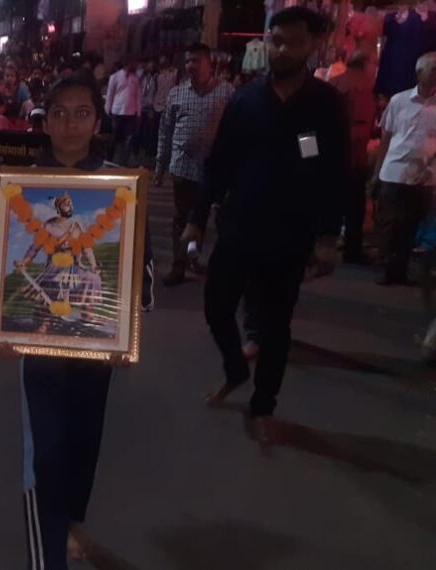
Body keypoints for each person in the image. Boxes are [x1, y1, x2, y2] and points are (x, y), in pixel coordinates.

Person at [11, 73, 154, 570]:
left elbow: (138, 264)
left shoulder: (120, 185)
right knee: (44, 451)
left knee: (83, 439)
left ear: (98, 121)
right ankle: (48, 562)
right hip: (42, 344)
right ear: (44, 121)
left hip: (96, 341)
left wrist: (128, 327)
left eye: (82, 113)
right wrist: (1, 321)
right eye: (59, 113)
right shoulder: (21, 185)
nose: (70, 124)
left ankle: (71, 518)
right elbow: (17, 251)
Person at [183, 7, 348, 439]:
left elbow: (334, 173)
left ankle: (263, 405)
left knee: (276, 327)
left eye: (293, 42)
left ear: (312, 45)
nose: (282, 49)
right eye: (276, 41)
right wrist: (196, 219)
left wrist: (328, 235)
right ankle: (235, 368)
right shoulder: (246, 99)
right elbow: (219, 164)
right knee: (217, 306)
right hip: (239, 225)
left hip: (291, 233)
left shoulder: (324, 104)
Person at [155, 43, 234, 287]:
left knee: (217, 219)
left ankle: (210, 262)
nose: (191, 65)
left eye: (196, 60)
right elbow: (165, 132)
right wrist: (160, 166)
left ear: (210, 63)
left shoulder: (226, 92)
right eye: (188, 61)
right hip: (182, 167)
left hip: (215, 170)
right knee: (182, 217)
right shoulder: (176, 94)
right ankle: (179, 265)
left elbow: (237, 130)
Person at [371, 52, 436, 285]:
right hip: (394, 171)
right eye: (433, 70)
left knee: (410, 224)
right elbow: (387, 136)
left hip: (424, 176)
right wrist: (377, 172)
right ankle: (388, 267)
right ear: (419, 73)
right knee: (390, 223)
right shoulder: (399, 101)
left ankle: (400, 268)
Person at [329, 50, 378, 264]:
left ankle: (322, 245)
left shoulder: (333, 83)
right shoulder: (365, 86)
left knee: (329, 203)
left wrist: (310, 155)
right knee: (354, 207)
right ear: (366, 64)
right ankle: (352, 250)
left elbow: (308, 129)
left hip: (329, 154)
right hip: (354, 155)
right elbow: (364, 123)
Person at [104, 59, 141, 167]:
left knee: (128, 139)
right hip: (117, 111)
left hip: (131, 112)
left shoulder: (135, 79)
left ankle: (124, 162)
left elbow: (138, 96)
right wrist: (107, 110)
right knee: (113, 138)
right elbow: (110, 94)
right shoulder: (115, 77)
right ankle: (109, 159)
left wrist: (138, 112)